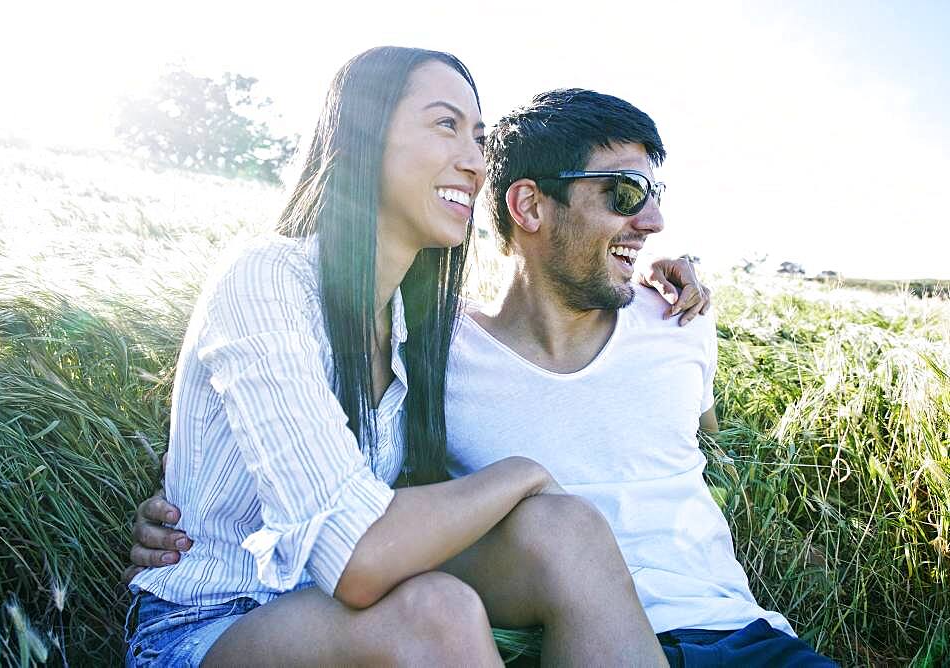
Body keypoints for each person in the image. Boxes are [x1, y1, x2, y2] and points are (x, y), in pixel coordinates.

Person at [133, 86, 837, 666]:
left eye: (478, 139)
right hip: (263, 613)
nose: (652, 219)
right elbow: (339, 517)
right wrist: (187, 512)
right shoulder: (432, 344)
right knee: (479, 585)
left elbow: (709, 435)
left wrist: (670, 280)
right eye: (625, 192)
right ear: (528, 206)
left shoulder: (667, 320)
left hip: (743, 636)